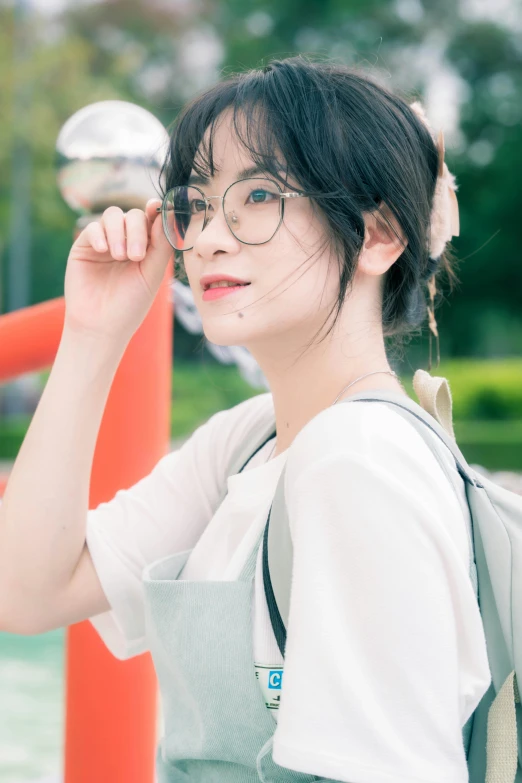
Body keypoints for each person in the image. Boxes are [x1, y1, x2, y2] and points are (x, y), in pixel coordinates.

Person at [0, 56, 491, 782]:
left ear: (379, 237)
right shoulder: (249, 439)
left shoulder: (357, 459)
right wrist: (93, 335)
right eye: (195, 203)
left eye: (259, 194)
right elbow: (25, 591)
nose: (206, 238)